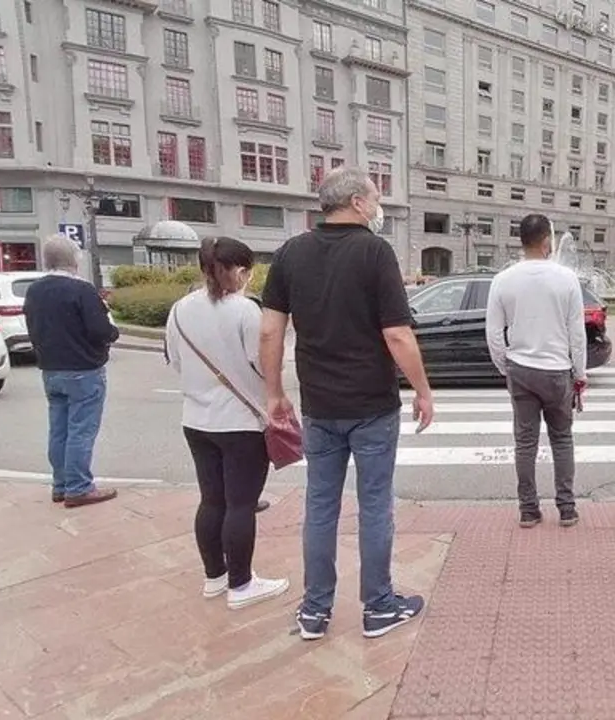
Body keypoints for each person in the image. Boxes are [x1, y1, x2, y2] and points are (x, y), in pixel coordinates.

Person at [260, 166, 435, 640]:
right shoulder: (375, 252)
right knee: (375, 504)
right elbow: (397, 333)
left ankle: (315, 610)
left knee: (321, 505)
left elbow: (271, 329)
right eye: (375, 198)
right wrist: (422, 389)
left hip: (319, 405)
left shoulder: (291, 253)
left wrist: (274, 393)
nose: (378, 206)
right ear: (357, 202)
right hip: (372, 405)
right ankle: (378, 606)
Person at [165, 237, 290, 607]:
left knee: (212, 501)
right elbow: (266, 363)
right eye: (247, 270)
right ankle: (241, 585)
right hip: (240, 423)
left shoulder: (179, 309)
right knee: (241, 504)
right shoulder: (246, 311)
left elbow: (174, 361)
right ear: (238, 270)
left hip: (196, 420)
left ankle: (215, 577)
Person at [485, 214, 588, 528]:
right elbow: (577, 333)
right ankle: (567, 508)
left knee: (525, 443)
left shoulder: (502, 280)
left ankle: (528, 509)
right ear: (547, 242)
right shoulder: (567, 279)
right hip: (557, 371)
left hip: (522, 370)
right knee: (562, 440)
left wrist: (507, 366)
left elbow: (493, 333)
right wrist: (580, 373)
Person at [24, 236, 119, 508]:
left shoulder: (35, 290)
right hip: (83, 369)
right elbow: (101, 330)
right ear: (74, 260)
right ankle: (78, 487)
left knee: (59, 428)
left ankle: (61, 484)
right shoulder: (81, 290)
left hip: (51, 368)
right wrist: (113, 332)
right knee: (81, 430)